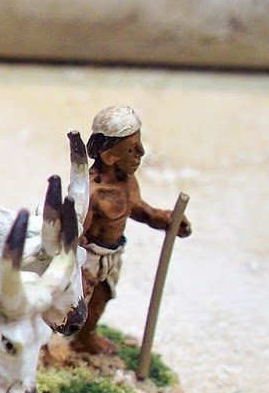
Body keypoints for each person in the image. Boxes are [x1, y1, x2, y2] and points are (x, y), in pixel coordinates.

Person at [69, 105, 191, 355]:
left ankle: (84, 338)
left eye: (139, 144)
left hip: (112, 255)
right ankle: (44, 343)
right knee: (70, 302)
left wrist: (164, 219)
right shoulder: (91, 192)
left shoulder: (128, 181)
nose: (142, 152)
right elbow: (74, 236)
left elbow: (137, 209)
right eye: (131, 149)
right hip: (87, 258)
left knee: (102, 297)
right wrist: (75, 270)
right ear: (110, 156)